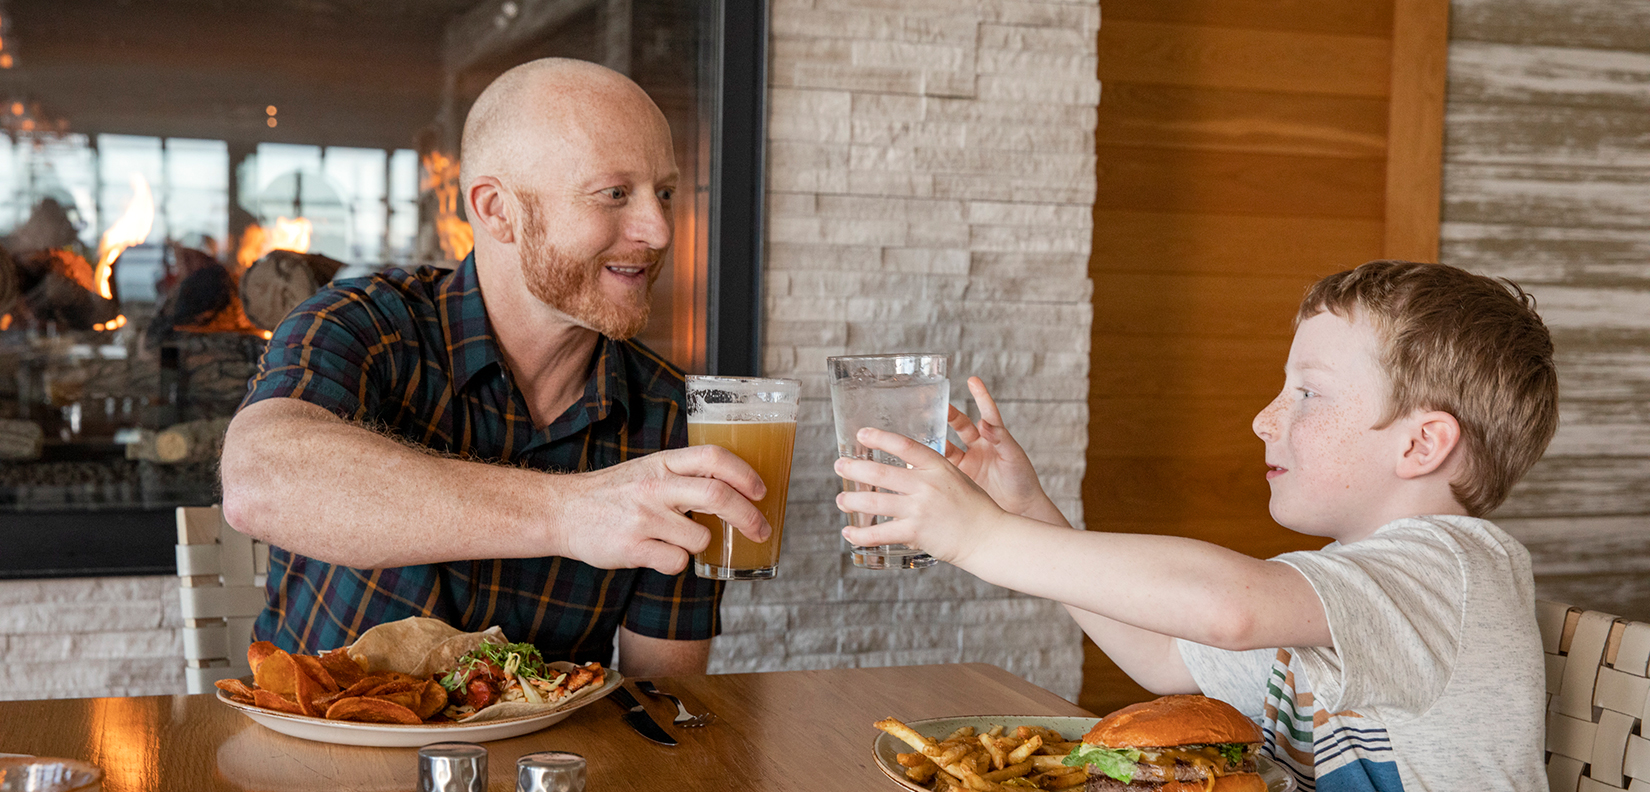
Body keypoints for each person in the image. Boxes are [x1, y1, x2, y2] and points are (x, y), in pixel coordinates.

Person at [837, 260, 1555, 790]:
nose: (1263, 418)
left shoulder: (1455, 569)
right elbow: (1169, 659)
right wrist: (1027, 511)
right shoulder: (1347, 588)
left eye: (1307, 393)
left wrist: (980, 538)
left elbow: (1228, 608)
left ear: (1421, 444)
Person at [218, 58, 772, 678]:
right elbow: (258, 483)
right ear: (496, 209)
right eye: (615, 193)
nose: (661, 229)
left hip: (545, 769)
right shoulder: (365, 325)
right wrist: (570, 513)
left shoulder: (671, 417)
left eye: (664, 192)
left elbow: (662, 703)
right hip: (327, 760)